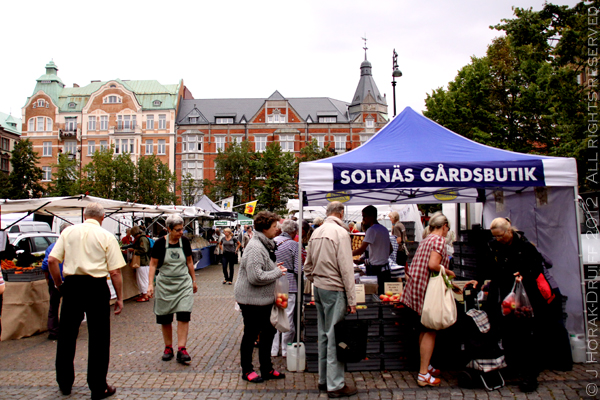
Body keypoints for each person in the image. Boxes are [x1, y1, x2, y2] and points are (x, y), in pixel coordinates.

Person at [48, 203, 126, 399]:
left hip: (72, 285)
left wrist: (60, 285)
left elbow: (52, 261)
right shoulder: (107, 236)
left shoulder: (68, 233)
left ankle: (64, 383)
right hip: (96, 287)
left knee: (66, 336)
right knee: (99, 338)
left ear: (84, 215)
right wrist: (120, 297)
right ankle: (97, 386)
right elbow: (115, 272)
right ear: (103, 217)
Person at [479, 217, 551, 392]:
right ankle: (513, 366)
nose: (497, 239)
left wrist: (523, 274)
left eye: (500, 235)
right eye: (494, 236)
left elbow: (537, 268)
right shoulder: (494, 246)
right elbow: (489, 267)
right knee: (508, 333)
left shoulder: (525, 247)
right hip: (505, 297)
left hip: (525, 298)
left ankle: (530, 375)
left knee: (527, 335)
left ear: (509, 231)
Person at [304, 201, 358, 398]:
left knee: (324, 335)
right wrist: (352, 300)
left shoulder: (316, 232)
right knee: (335, 336)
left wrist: (316, 279)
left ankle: (324, 379)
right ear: (341, 214)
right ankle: (335, 385)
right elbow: (346, 268)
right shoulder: (341, 233)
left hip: (319, 287)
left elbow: (307, 266)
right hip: (334, 288)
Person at [399, 212, 455, 387]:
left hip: (416, 289)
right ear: (444, 226)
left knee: (424, 329)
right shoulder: (439, 241)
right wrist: (449, 272)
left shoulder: (426, 239)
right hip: (427, 292)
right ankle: (423, 374)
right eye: (447, 228)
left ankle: (426, 365)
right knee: (430, 330)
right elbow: (432, 265)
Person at [234, 211, 287, 383]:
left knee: (268, 332)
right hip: (251, 300)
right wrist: (277, 272)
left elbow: (262, 269)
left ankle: (266, 368)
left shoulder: (264, 244)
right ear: (264, 228)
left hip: (263, 299)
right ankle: (247, 370)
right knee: (251, 334)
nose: (277, 229)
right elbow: (255, 276)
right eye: (273, 226)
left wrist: (273, 267)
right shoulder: (256, 247)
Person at [147, 214, 197, 364]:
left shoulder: (185, 242)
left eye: (182, 229)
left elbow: (189, 262)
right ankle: (168, 347)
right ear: (168, 229)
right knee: (165, 316)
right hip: (165, 284)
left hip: (183, 283)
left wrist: (193, 281)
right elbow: (153, 265)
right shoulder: (160, 244)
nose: (181, 232)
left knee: (183, 314)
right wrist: (150, 284)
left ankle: (182, 348)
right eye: (177, 230)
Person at [271, 220, 303, 358]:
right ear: (294, 231)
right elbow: (298, 269)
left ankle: (273, 349)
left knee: (276, 315)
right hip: (289, 284)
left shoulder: (272, 242)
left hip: (274, 283)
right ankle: (285, 349)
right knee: (288, 316)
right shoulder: (294, 245)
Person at [353, 205, 393, 295]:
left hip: (376, 270)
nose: (363, 219)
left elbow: (361, 250)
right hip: (386, 269)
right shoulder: (384, 229)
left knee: (373, 295)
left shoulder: (372, 230)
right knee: (384, 296)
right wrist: (381, 256)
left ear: (372, 216)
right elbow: (391, 249)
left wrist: (346, 253)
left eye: (364, 216)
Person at [41, 223, 70, 340]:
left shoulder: (52, 246)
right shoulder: (73, 246)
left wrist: (49, 279)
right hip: (68, 280)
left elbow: (45, 265)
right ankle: (67, 330)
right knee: (68, 306)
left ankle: (53, 331)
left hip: (55, 280)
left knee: (53, 306)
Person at [130, 226, 152, 302]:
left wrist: (134, 251)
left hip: (143, 262)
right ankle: (144, 294)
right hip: (143, 262)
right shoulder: (142, 238)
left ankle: (145, 295)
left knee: (143, 279)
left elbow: (144, 250)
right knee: (142, 279)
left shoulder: (142, 239)